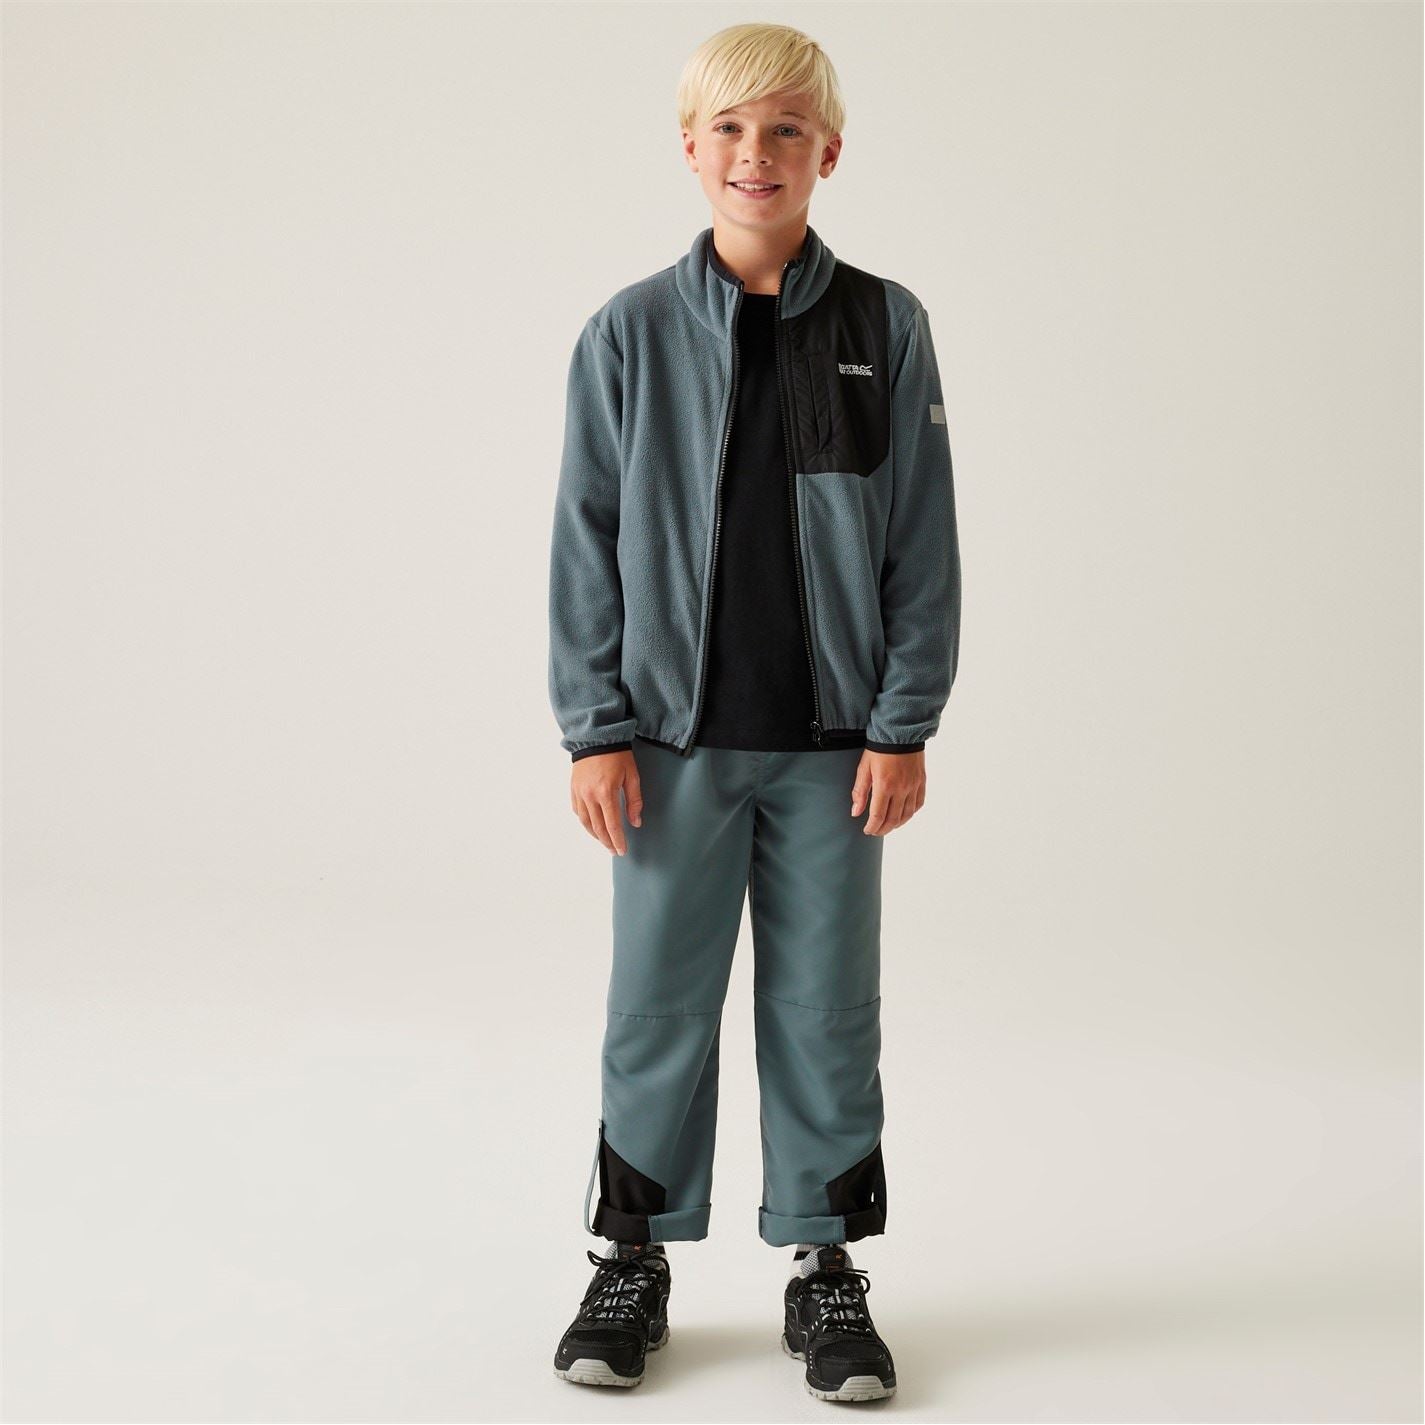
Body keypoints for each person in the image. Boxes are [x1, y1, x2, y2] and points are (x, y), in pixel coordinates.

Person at [546, 20, 961, 1404]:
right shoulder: (627, 333)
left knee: (826, 1010)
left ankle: (825, 1265)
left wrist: (903, 720)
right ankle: (631, 1255)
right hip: (668, 749)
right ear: (689, 147)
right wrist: (593, 724)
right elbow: (584, 538)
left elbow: (921, 536)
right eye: (728, 127)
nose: (755, 152)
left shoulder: (884, 325)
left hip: (835, 751)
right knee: (655, 1005)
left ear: (828, 152)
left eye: (785, 128)